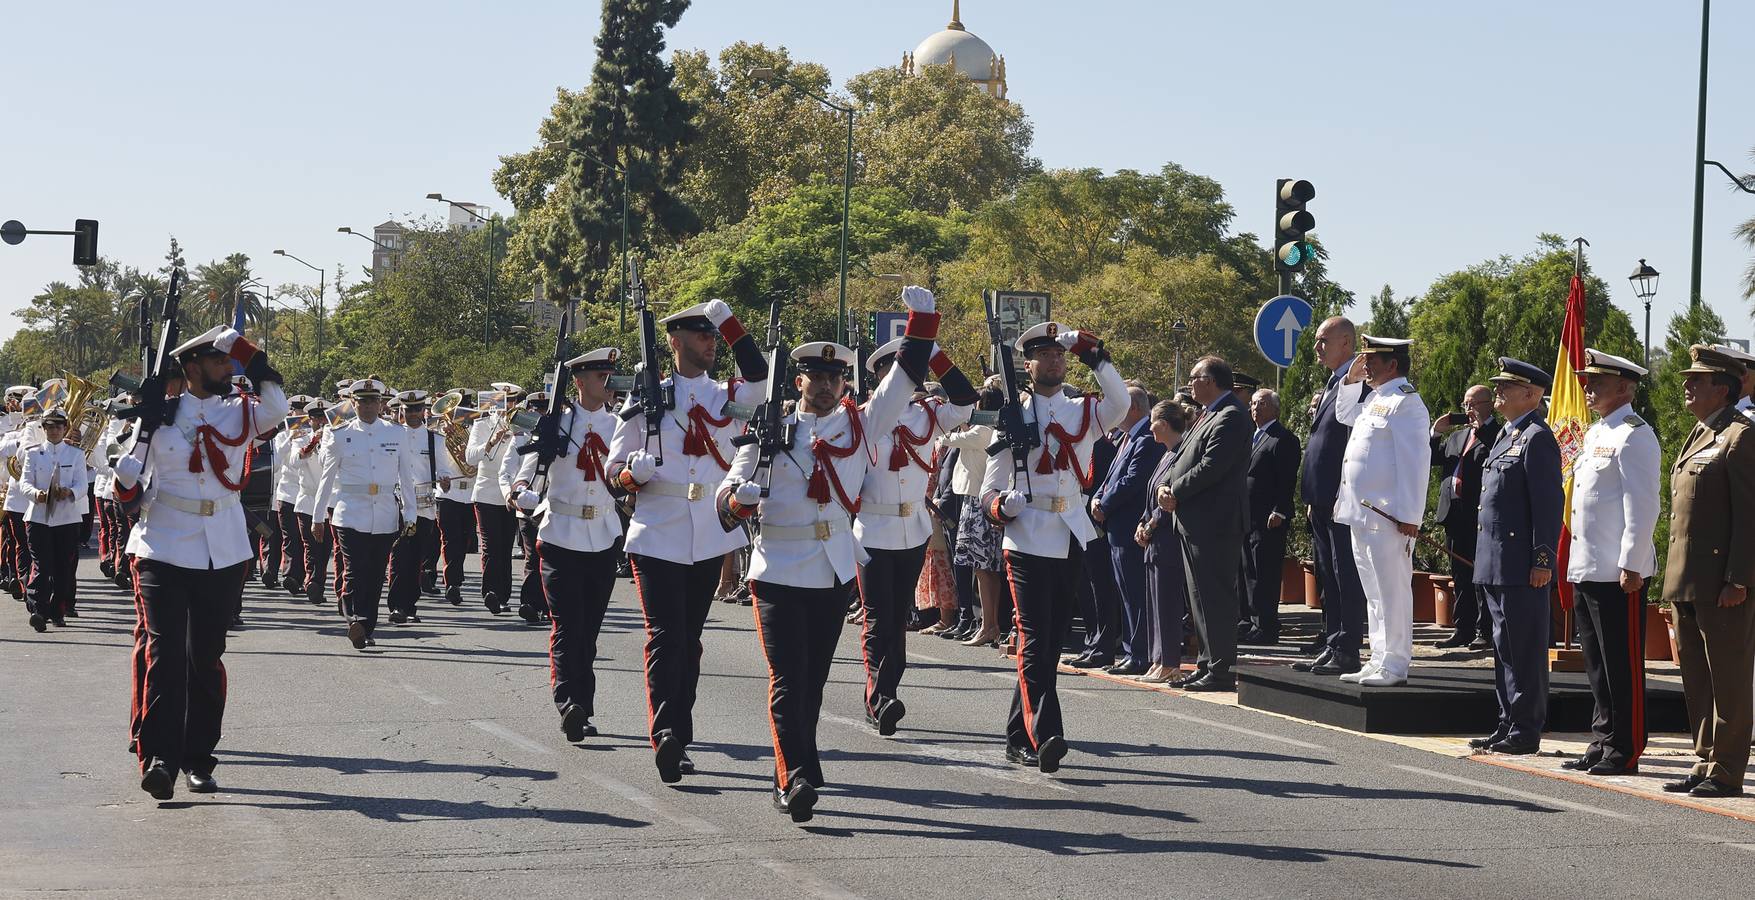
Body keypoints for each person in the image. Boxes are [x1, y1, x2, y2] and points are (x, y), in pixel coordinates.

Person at [720, 290, 936, 821]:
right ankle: (790, 776)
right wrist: (738, 498)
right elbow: (727, 495)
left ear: (845, 384)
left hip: (834, 567)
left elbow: (905, 377)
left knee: (813, 678)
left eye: (833, 378)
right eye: (814, 377)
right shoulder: (768, 428)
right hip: (776, 569)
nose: (823, 385)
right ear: (798, 382)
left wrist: (922, 320)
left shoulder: (860, 425)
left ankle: (801, 761)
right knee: (788, 678)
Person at [112, 324, 289, 799]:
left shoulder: (239, 413)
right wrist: (143, 429)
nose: (226, 368)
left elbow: (278, 408)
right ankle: (160, 759)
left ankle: (198, 758)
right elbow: (126, 485)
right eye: (217, 361)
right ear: (192, 369)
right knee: (164, 655)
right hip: (163, 546)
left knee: (204, 658)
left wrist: (250, 355)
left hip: (224, 548)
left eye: (228, 362)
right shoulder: (160, 415)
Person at [607, 297, 766, 784]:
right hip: (656, 531)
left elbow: (761, 377)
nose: (710, 344)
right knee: (664, 636)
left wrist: (730, 321)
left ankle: (679, 728)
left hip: (708, 534)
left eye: (713, 337)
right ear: (675, 343)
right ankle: (668, 734)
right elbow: (613, 471)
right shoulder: (647, 397)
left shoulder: (727, 396)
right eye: (701, 336)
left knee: (689, 639)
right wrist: (634, 474)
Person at [983, 320, 1129, 769]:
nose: (1053, 360)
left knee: (1050, 641)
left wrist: (1093, 352)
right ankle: (1046, 733)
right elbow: (988, 491)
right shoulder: (1012, 415)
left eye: (1058, 354)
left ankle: (1017, 733)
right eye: (1043, 355)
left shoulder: (1081, 410)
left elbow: (1121, 403)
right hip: (1026, 534)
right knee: (1032, 637)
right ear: (1027, 365)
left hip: (1070, 530)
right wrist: (1003, 507)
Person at [853, 333, 976, 735]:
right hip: (872, 528)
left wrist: (936, 352)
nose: (909, 377)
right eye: (899, 370)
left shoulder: (927, 414)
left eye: (913, 369)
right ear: (882, 377)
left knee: (898, 616)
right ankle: (880, 698)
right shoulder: (864, 418)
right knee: (877, 618)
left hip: (913, 529)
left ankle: (886, 690)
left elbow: (966, 400)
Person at [506, 348, 626, 743]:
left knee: (588, 630)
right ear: (578, 381)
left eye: (610, 376)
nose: (607, 383)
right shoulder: (554, 423)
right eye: (600, 376)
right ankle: (569, 703)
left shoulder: (621, 425)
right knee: (567, 625)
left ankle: (583, 706)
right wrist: (521, 494)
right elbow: (527, 474)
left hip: (604, 536)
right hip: (560, 535)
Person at [1661, 346, 1755, 798]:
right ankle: (1705, 760)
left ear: (1723, 388)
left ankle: (1727, 769)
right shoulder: (1699, 433)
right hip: (1689, 580)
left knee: (1729, 679)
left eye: (1696, 380)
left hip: (1723, 583)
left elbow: (1749, 515)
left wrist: (1738, 578)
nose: (1686, 385)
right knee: (1697, 677)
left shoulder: (1741, 436)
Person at [1563, 349, 1660, 777]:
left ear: (1624, 387)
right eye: (1586, 381)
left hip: (1620, 572)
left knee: (1622, 665)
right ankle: (1603, 738)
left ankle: (1626, 747)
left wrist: (1632, 564)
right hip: (1589, 563)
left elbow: (1642, 505)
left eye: (1597, 382)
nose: (1587, 388)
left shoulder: (1635, 434)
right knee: (1598, 664)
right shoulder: (1598, 432)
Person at [1470, 358, 1563, 754]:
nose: (1500, 393)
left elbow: (1547, 505)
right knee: (1503, 647)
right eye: (1499, 387)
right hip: (1495, 562)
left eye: (1508, 387)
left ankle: (1526, 729)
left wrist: (1542, 560)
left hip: (1522, 565)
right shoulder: (1507, 436)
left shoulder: (1537, 438)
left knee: (1524, 648)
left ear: (1532, 394)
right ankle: (1507, 721)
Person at [1331, 336, 1429, 687]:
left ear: (1392, 364)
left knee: (1392, 591)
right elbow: (1343, 414)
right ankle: (1378, 657)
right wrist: (1350, 381)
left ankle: (1396, 663)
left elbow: (1416, 464)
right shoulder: (1375, 398)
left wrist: (1410, 516)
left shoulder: (1407, 403)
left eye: (1372, 359)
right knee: (1373, 591)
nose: (1365, 363)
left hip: (1389, 517)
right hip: (1362, 512)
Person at [1155, 356, 1250, 691]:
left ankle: (1222, 669)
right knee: (1199, 598)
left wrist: (1175, 490)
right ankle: (1207, 663)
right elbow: (1183, 457)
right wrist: (1166, 486)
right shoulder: (1207, 414)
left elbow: (1212, 465)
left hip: (1215, 521)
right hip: (1194, 519)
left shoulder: (1232, 416)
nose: (1190, 384)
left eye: (1194, 378)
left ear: (1211, 380)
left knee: (1215, 597)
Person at [312, 378, 419, 650]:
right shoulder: (339, 434)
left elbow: (406, 477)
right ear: (354, 403)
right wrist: (317, 517)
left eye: (373, 401)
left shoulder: (396, 433)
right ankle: (354, 620)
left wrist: (411, 514)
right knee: (355, 570)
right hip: (350, 512)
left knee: (375, 574)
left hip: (384, 513)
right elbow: (326, 478)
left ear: (381, 403)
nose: (368, 407)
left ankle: (367, 628)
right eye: (362, 401)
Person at [1294, 317, 1370, 676]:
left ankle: (1348, 647)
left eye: (1324, 340)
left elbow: (1353, 445)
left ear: (1346, 343)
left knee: (1345, 575)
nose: (1316, 347)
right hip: (1322, 497)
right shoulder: (1332, 383)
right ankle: (1333, 641)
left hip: (1342, 497)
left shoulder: (1359, 385)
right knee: (1328, 573)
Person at [1087, 384, 1163, 673]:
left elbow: (1132, 481)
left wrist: (1104, 505)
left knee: (1134, 594)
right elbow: (1111, 477)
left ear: (1132, 408)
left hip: (1129, 526)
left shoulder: (1145, 439)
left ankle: (1139, 655)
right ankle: (1132, 652)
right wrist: (1098, 497)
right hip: (1118, 527)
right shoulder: (1128, 438)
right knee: (1126, 593)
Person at [1430, 385, 1499, 649]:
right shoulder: (1458, 437)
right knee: (1459, 574)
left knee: (1479, 573)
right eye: (1465, 404)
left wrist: (1483, 427)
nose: (1468, 409)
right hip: (1454, 515)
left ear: (1488, 404)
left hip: (1478, 514)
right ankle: (1463, 628)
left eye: (1473, 404)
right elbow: (1431, 456)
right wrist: (1436, 431)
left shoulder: (1495, 434)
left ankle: (1485, 629)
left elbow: (1497, 452)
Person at [1135, 398, 1192, 682]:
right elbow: (1152, 495)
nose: (1150, 427)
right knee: (1155, 600)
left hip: (1168, 536)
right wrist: (1142, 523)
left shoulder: (1181, 452)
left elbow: (1171, 498)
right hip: (1154, 537)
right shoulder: (1166, 453)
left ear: (1165, 424)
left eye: (1153, 422)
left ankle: (1170, 661)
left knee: (1168, 601)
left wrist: (1152, 523)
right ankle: (1158, 659)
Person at [1241, 389, 1301, 645]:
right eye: (1253, 404)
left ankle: (1266, 626)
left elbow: (1287, 479)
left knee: (1265, 573)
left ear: (1275, 409)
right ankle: (1249, 621)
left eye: (1262, 404)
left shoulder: (1282, 438)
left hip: (1268, 517)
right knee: (1248, 571)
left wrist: (1280, 509)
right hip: (1246, 515)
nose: (1255, 408)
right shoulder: (1250, 437)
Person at [21, 407, 87, 631]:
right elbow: (25, 483)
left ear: (65, 428)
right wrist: (36, 494)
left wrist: (69, 492)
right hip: (39, 517)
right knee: (42, 565)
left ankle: (57, 611)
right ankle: (38, 610)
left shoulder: (76, 454)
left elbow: (82, 485)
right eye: (49, 427)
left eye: (59, 426)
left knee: (62, 569)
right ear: (44, 429)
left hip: (66, 518)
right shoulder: (33, 453)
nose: (54, 431)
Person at [388, 390, 447, 624]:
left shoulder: (435, 439)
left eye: (416, 409)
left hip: (423, 506)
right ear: (401, 410)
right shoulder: (392, 435)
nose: (412, 414)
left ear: (423, 410)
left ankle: (410, 605)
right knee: (399, 556)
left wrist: (444, 479)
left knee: (416, 559)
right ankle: (396, 606)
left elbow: (442, 469)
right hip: (398, 505)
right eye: (408, 410)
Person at [468, 383, 523, 614]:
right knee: (490, 545)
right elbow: (470, 457)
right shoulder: (482, 425)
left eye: (510, 401)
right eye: (502, 401)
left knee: (505, 546)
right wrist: (491, 440)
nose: (507, 406)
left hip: (509, 492)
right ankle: (490, 592)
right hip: (486, 490)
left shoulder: (521, 426)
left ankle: (503, 594)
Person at [435, 388, 478, 606]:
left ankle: (456, 578)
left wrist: (469, 454)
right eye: (454, 412)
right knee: (450, 539)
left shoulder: (477, 431)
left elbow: (482, 460)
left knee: (465, 540)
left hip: (470, 493)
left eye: (464, 410)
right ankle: (453, 583)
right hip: (448, 492)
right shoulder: (438, 431)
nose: (458, 415)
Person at [292, 398, 332, 606]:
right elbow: (294, 461)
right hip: (307, 499)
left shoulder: (335, 438)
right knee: (310, 545)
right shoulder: (301, 438)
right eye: (316, 418)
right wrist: (313, 441)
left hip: (328, 500)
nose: (320, 421)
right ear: (310, 420)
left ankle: (318, 582)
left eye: (323, 417)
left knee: (325, 548)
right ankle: (312, 581)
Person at [270, 396, 311, 596]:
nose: (300, 416)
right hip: (287, 491)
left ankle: (304, 577)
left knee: (306, 539)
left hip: (306, 492)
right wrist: (289, 438)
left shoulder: (314, 434)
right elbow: (276, 461)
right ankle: (291, 576)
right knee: (290, 538)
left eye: (304, 412)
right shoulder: (281, 435)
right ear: (291, 412)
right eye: (297, 412)